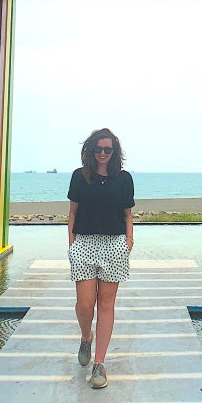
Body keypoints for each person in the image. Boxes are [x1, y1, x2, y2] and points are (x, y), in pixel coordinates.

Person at [67, 127, 135, 389]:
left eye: (108, 149)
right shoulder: (79, 176)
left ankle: (99, 364)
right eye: (99, 149)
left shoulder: (124, 179)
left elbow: (128, 214)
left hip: (114, 245)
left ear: (114, 151)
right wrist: (72, 245)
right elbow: (72, 213)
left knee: (106, 305)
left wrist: (128, 241)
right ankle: (86, 336)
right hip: (84, 243)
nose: (104, 153)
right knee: (85, 305)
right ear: (91, 150)